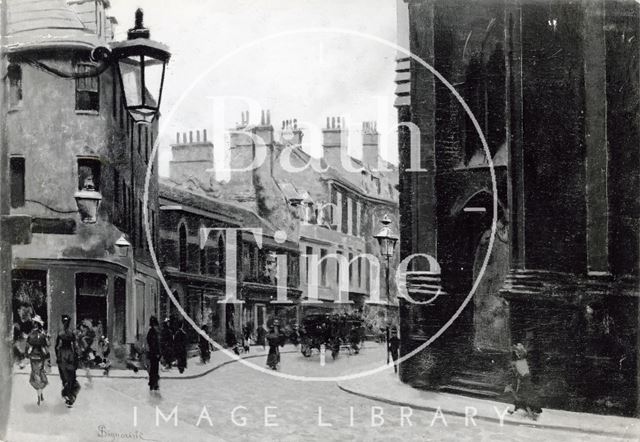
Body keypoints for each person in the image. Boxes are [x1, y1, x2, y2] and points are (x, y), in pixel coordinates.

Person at [505, 343, 543, 420]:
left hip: (524, 381)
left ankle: (531, 415)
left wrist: (519, 376)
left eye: (519, 353)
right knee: (518, 395)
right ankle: (516, 410)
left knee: (523, 397)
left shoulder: (522, 362)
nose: (517, 354)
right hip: (521, 381)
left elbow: (524, 373)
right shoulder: (519, 362)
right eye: (516, 353)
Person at [55, 315, 80, 407]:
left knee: (64, 374)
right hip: (70, 353)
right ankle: (69, 395)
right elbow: (75, 346)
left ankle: (66, 392)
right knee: (71, 375)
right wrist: (76, 356)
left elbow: (56, 346)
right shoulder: (71, 333)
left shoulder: (60, 333)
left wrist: (58, 355)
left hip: (62, 354)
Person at [26, 315, 49, 405]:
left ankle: (39, 394)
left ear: (35, 324)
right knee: (40, 372)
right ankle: (40, 393)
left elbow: (28, 344)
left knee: (35, 374)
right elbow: (46, 344)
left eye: (34, 322)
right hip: (40, 356)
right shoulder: (42, 334)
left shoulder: (31, 334)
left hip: (33, 356)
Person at [146, 316, 161, 392]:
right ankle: (154, 384)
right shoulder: (153, 333)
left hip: (152, 354)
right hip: (154, 354)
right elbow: (154, 344)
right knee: (154, 369)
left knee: (153, 369)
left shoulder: (151, 332)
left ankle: (153, 383)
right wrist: (157, 353)